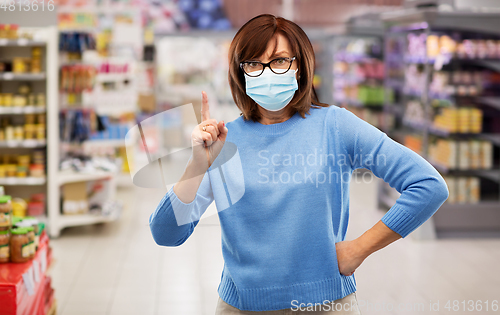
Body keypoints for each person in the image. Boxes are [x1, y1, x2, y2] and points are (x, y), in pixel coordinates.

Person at [149, 14, 449, 314]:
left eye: (279, 60)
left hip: (327, 304)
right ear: (240, 73)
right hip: (242, 306)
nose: (266, 72)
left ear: (300, 67)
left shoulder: (336, 126)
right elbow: (165, 234)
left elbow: (428, 185)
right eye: (253, 63)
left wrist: (359, 249)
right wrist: (197, 165)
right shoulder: (222, 142)